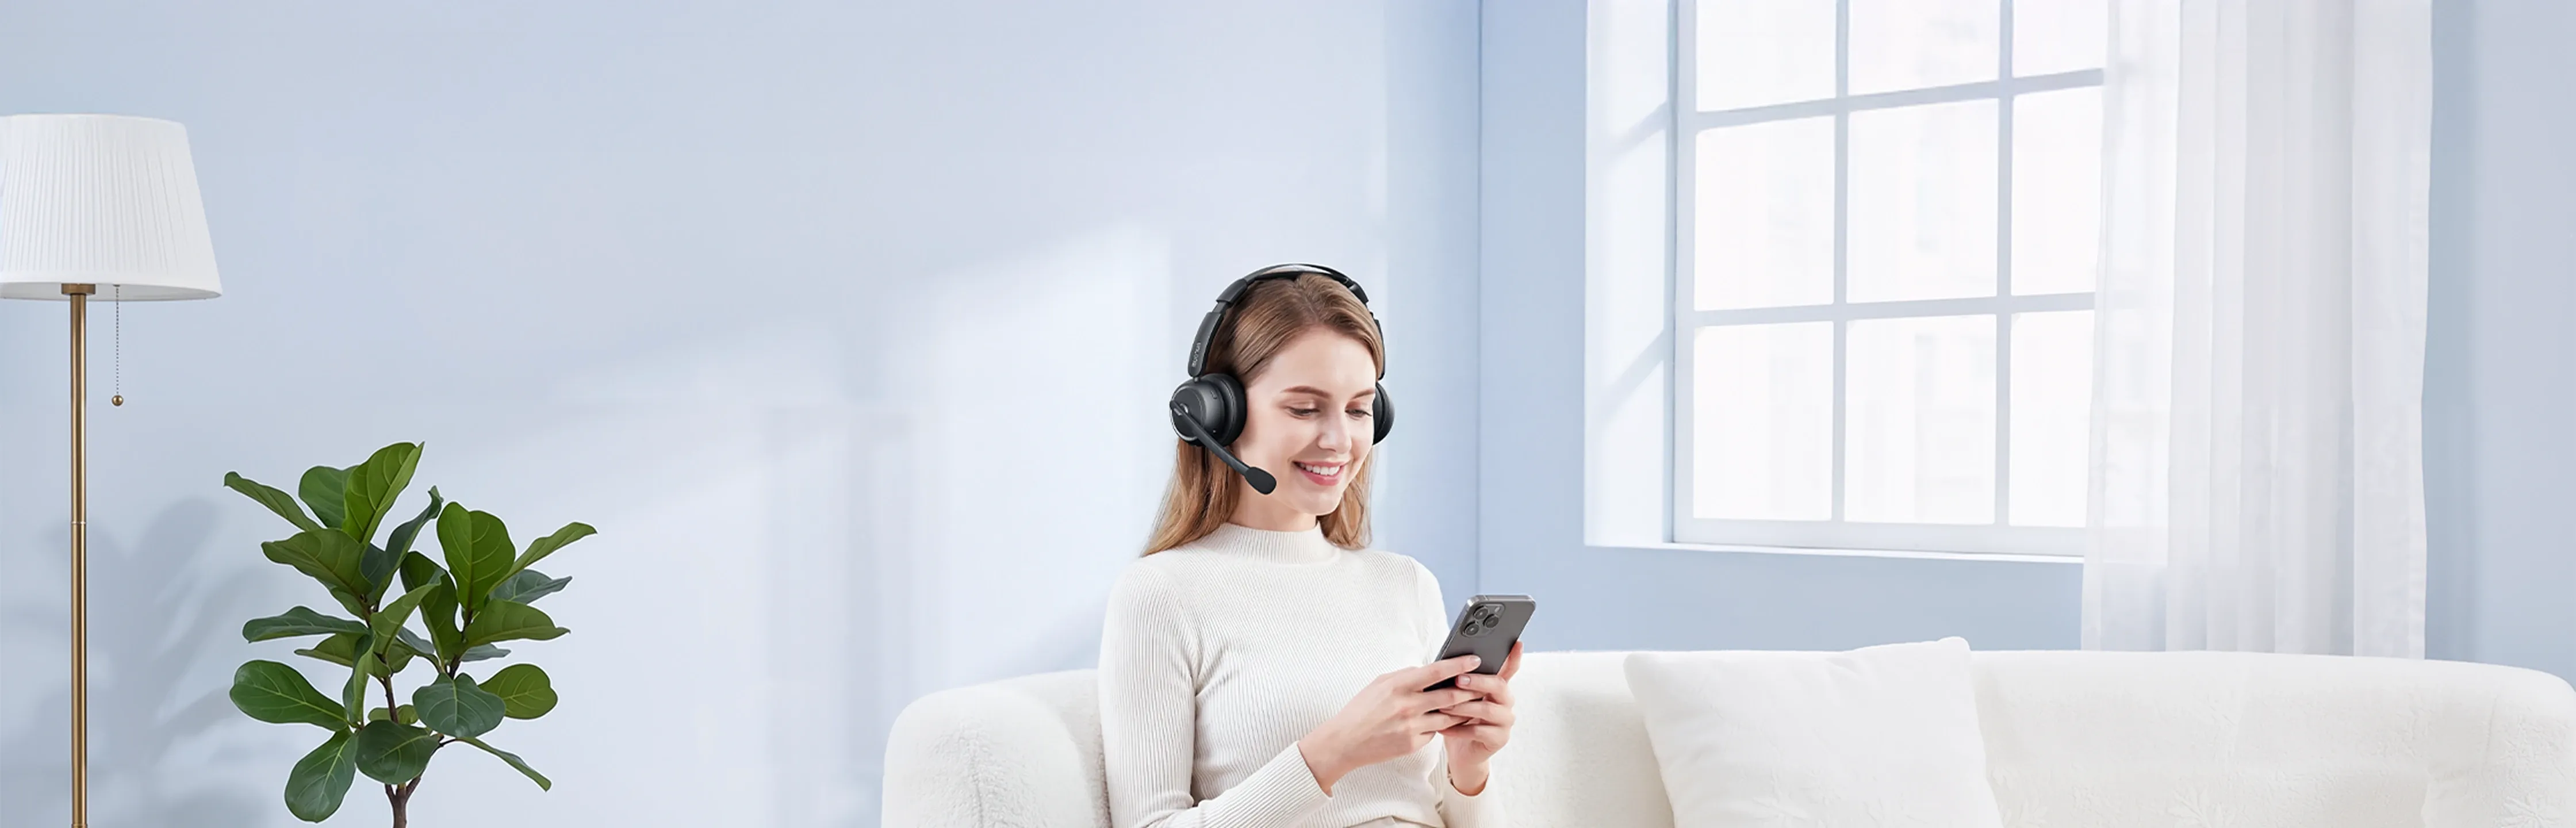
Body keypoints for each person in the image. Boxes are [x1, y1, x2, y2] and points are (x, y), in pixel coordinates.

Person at [1100, 266, 1517, 828]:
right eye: (1303, 408)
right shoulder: (1163, 594)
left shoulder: (1406, 584)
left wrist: (1468, 770)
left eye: (1358, 409)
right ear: (1216, 415)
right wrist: (1330, 753)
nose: (1339, 441)